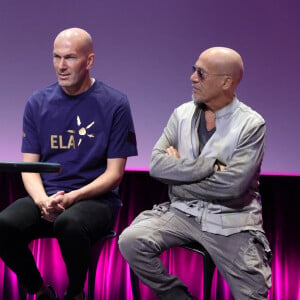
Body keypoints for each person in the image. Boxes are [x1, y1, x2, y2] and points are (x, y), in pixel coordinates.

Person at [119, 47, 272, 300]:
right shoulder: (181, 114)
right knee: (131, 240)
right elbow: (156, 165)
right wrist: (210, 165)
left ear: (226, 82)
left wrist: (177, 182)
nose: (192, 78)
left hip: (231, 220)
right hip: (183, 211)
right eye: (194, 70)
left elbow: (232, 187)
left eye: (201, 73)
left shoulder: (251, 124)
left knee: (253, 296)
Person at [0, 27, 137, 300]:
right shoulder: (37, 102)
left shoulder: (115, 103)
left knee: (69, 224)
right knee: (3, 225)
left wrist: (72, 197)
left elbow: (114, 175)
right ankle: (39, 290)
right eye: (56, 57)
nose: (61, 66)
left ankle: (75, 293)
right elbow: (30, 168)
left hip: (95, 200)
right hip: (47, 196)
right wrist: (42, 201)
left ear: (89, 61)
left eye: (70, 58)